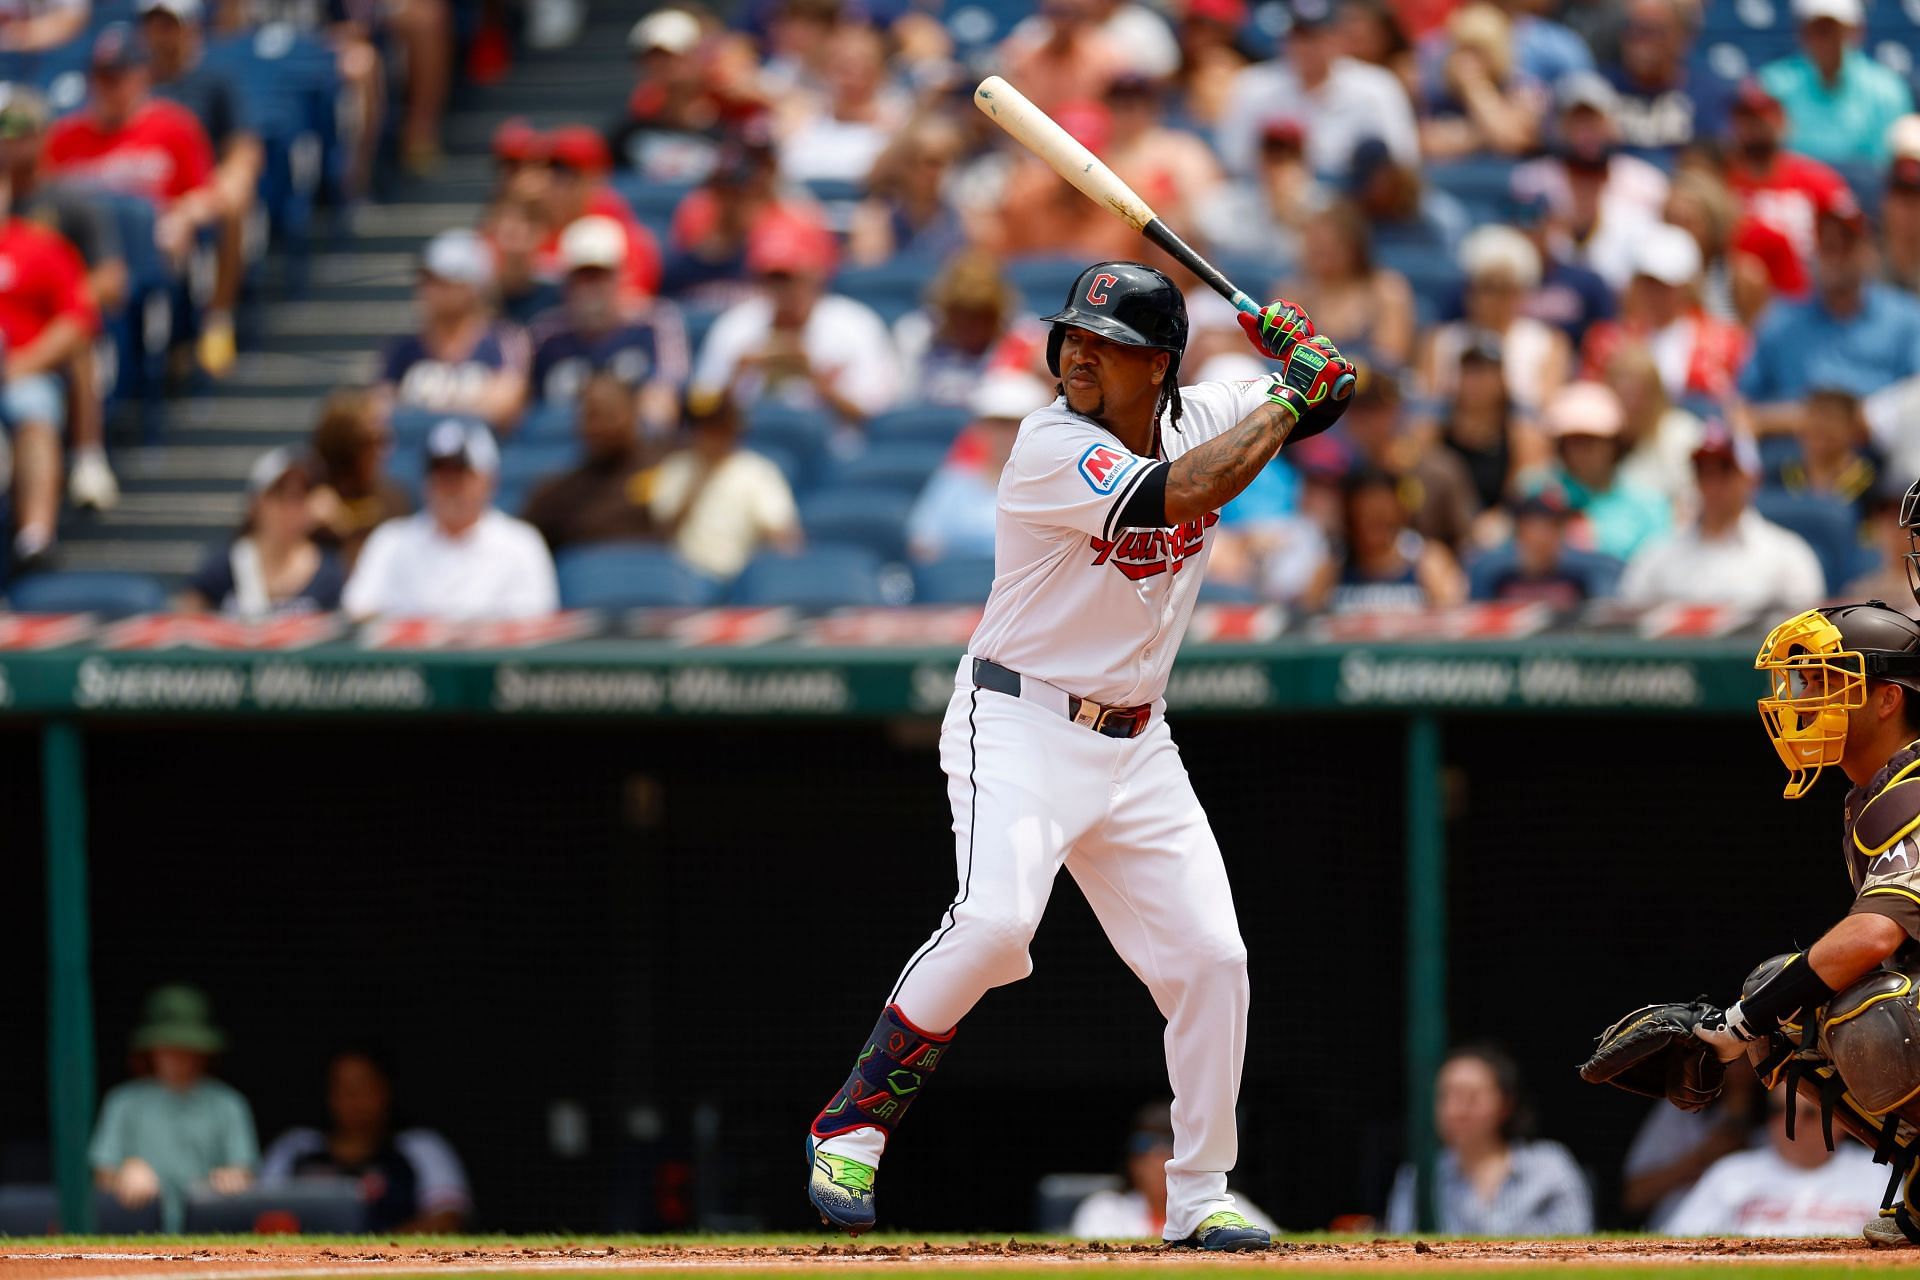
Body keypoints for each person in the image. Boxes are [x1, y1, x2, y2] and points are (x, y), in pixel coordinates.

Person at [804, 269, 1357, 1250]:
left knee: (1212, 958)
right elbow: (1187, 487)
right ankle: (853, 1120)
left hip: (1138, 741)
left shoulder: (1213, 406)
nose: (1079, 354)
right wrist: (1288, 393)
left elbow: (1336, 392)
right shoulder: (1049, 443)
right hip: (1019, 718)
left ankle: (1198, 1191)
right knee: (995, 921)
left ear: (1161, 364)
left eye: (1106, 340)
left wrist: (1304, 357)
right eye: (1072, 336)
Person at [1673, 582, 1920, 1246]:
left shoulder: (1916, 787)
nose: (1804, 699)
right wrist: (1755, 1015)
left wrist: (1735, 1024)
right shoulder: (1876, 792)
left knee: (1876, 1012)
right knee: (1786, 1009)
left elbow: (1874, 934)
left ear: (1888, 697)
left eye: (1826, 681)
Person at [0, 82, 125, 514]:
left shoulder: (70, 202)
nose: (8, 140)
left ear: (40, 132)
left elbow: (111, 279)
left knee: (78, 334)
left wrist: (62, 300)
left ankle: (88, 456)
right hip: (9, 327)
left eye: (16, 128)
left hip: (56, 330)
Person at [139, 0, 257, 377]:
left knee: (235, 207)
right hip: (143, 194)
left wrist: (219, 192)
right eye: (153, 25)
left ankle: (216, 319)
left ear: (190, 28)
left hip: (196, 193)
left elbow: (243, 149)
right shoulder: (129, 78)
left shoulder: (214, 79)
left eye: (169, 25)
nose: (160, 36)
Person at [342, 419, 559, 621]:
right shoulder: (390, 541)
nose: (449, 487)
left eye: (460, 476)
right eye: (440, 476)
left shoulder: (521, 544)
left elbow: (535, 626)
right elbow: (357, 613)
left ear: (488, 481)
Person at [689, 219, 898, 424]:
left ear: (817, 275)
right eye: (772, 279)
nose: (782, 290)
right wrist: (736, 377)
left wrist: (817, 380)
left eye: (790, 278)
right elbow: (700, 415)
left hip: (837, 449)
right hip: (750, 447)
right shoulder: (735, 327)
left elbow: (878, 419)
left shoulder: (856, 325)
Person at [1740, 198, 1920, 435]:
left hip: (1875, 452)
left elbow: (1913, 399)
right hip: (1790, 454)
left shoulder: (1905, 318)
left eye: (1846, 246)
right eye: (1827, 245)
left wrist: (1865, 419)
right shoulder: (1779, 322)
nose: (1835, 257)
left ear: (1869, 253)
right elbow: (1741, 406)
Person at [43, 24, 220, 264]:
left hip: (151, 250)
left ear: (141, 75)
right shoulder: (64, 135)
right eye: (101, 76)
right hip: (83, 254)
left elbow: (207, 197)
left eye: (117, 77)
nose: (107, 86)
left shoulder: (175, 126)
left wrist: (182, 218)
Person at [89, 985, 257, 1233]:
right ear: (152, 1048)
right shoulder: (123, 1102)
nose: (179, 1057)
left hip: (210, 1235)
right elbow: (100, 1177)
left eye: (187, 1047)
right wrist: (124, 1173)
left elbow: (247, 1174)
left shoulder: (228, 1104)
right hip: (136, 1233)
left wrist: (235, 1179)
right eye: (170, 1047)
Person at [0, 143, 97, 570]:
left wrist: (21, 365)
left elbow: (76, 322)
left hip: (24, 371)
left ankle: (35, 536)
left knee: (34, 408)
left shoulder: (41, 246)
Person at [259, 1046, 472, 1234]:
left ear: (385, 1090)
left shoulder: (421, 1147)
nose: (353, 1099)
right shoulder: (297, 1147)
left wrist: (370, 1251)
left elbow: (447, 1218)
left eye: (363, 1087)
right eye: (343, 1089)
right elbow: (256, 1212)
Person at [1384, 1044, 1592, 1235]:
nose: (1455, 1110)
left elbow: (1578, 1241)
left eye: (1471, 1097)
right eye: (1445, 1096)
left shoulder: (1550, 1166)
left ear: (1505, 1105)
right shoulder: (1418, 1177)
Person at [1618, 423, 1825, 607]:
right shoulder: (1658, 555)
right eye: (1702, 471)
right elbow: (1623, 621)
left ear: (1751, 478)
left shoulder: (1787, 556)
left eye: (1725, 471)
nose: (1712, 484)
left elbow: (1806, 636)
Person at [1216, 0, 1418, 179]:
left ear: (1339, 37)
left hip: (1357, 200)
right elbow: (1234, 160)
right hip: (1273, 198)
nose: (1308, 47)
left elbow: (1403, 160)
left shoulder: (1376, 86)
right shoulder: (1254, 84)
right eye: (1300, 36)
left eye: (1319, 36)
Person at [1509, 71, 1669, 291]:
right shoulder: (1531, 180)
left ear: (1612, 124)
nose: (1586, 132)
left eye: (1594, 121)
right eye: (1577, 121)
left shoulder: (1648, 183)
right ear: (1560, 127)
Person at [528, 215, 689, 430]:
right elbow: (522, 405)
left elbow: (665, 399)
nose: (591, 288)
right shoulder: (545, 335)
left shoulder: (654, 323)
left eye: (600, 276)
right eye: (582, 277)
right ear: (566, 284)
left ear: (620, 276)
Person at [379, 229, 531, 432]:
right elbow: (379, 410)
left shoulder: (504, 339)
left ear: (472, 287)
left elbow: (504, 408)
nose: (428, 289)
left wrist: (419, 413)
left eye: (442, 281)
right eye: (426, 280)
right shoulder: (403, 347)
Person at [1579, 221, 1748, 402]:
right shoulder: (1606, 342)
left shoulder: (1724, 341)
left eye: (1665, 286)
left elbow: (1735, 405)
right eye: (1647, 282)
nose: (1654, 293)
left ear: (1687, 288)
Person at [643, 389, 799, 579]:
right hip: (681, 578)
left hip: (739, 578)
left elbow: (784, 536)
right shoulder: (676, 468)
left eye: (717, 425)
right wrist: (697, 483)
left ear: (733, 428)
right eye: (702, 426)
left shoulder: (757, 471)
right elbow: (661, 533)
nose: (709, 435)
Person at [1069, 1102, 1277, 1239]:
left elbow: (1273, 1252)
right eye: (1146, 1145)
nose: (1159, 1156)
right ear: (1132, 1163)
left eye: (1171, 1143)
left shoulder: (1225, 1205)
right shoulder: (1104, 1209)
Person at [179, 448, 345, 616]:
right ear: (256, 502)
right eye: (280, 495)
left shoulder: (329, 571)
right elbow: (187, 616)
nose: (290, 509)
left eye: (300, 496)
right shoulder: (225, 564)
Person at [908, 371, 1053, 563]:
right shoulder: (953, 479)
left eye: (1015, 425)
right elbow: (923, 543)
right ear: (980, 428)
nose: (1005, 435)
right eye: (996, 424)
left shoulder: (1051, 486)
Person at [1422, 226, 1568, 417]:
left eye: (1506, 288)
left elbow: (1546, 411)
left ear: (1521, 292)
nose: (1496, 299)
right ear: (1469, 291)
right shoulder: (1441, 342)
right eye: (1488, 287)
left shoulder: (1548, 343)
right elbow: (1428, 407)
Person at [1723, 78, 1852, 282]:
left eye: (1761, 117)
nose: (1753, 127)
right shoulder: (1720, 184)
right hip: (1735, 292)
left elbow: (1849, 238)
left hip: (1805, 292)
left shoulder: (1819, 181)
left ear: (1782, 121)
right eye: (1745, 118)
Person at [1759, 0, 1913, 167]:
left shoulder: (1888, 91)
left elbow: (1893, 165)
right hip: (1791, 191)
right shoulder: (1771, 86)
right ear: (1802, 33)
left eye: (1835, 30)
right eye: (1819, 30)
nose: (1828, 39)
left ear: (1857, 31)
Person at [523, 371, 659, 552]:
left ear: (633, 412)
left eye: (611, 414)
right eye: (592, 415)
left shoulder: (670, 467)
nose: (601, 425)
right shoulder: (558, 494)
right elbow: (522, 544)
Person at [1620, 1060, 1760, 1232]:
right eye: (1735, 1059)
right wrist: (1701, 1158)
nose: (1741, 1067)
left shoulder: (1784, 1112)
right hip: (1675, 1233)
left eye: (1750, 1058)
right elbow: (1633, 1195)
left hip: (1747, 1233)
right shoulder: (1682, 1104)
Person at [1536, 379, 1669, 561]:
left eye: (1593, 440)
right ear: (1561, 446)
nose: (1583, 451)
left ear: (1614, 444)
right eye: (1574, 441)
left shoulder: (1648, 505)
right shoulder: (1537, 493)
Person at [1304, 466, 1467, 611]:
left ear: (1400, 514)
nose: (1372, 526)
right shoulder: (1332, 568)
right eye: (1364, 516)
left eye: (1381, 517)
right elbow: (1307, 619)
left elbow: (1452, 615)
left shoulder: (1426, 560)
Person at [894, 251, 1037, 410]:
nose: (971, 326)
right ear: (946, 311)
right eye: (961, 315)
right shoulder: (917, 336)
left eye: (981, 316)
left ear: (997, 314)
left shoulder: (1025, 338)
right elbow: (903, 404)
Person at [1281, 203, 1415, 367]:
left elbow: (1390, 358)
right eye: (1313, 242)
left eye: (1328, 245)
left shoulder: (1386, 290)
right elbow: (1276, 355)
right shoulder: (1292, 293)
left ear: (1353, 246)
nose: (1319, 249)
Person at [606, 8, 727, 182]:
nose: (659, 67)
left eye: (669, 57)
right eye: (649, 59)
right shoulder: (628, 133)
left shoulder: (729, 125)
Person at [1602, 0, 1732, 161]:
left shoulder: (1708, 95)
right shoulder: (1599, 90)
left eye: (1650, 31)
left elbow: (1709, 169)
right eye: (1631, 28)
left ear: (1682, 36)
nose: (1639, 41)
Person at [1416, 3, 1546, 161]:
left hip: (1507, 177)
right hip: (1451, 176)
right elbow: (1427, 144)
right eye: (1463, 50)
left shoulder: (1521, 84)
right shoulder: (1439, 88)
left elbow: (1511, 141)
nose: (1468, 60)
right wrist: (1488, 133)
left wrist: (1475, 88)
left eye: (1479, 52)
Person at [308, 389, 412, 573]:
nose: (383, 451)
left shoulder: (393, 499)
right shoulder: (307, 496)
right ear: (343, 447)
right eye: (372, 441)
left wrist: (345, 527)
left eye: (385, 439)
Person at [848, 114, 967, 267]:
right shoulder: (874, 219)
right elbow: (870, 278)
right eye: (931, 163)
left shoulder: (966, 223)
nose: (938, 172)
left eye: (946, 162)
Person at [1470, 484, 1608, 605]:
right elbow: (1478, 611)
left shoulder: (1585, 569)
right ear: (1520, 531)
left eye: (1552, 527)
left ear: (1562, 531)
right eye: (1534, 527)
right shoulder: (1492, 570)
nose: (1542, 537)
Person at [1769, 384, 1882, 522]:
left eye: (1831, 418)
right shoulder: (1780, 475)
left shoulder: (1875, 483)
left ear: (1853, 429)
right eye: (1814, 416)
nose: (1820, 427)